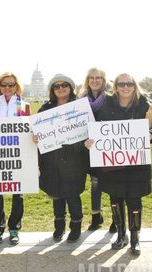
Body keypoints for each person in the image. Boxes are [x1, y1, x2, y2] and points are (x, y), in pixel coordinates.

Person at [85, 73, 152, 255]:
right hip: (112, 165)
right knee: (115, 200)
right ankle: (120, 235)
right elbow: (92, 127)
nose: (125, 87)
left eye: (129, 83)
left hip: (136, 165)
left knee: (134, 201)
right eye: (121, 84)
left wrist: (151, 135)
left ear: (134, 86)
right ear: (116, 86)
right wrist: (89, 140)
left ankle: (135, 238)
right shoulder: (106, 104)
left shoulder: (144, 105)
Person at [37, 74, 89, 243]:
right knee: (56, 196)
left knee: (73, 196)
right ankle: (59, 226)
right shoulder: (45, 109)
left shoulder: (80, 107)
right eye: (56, 86)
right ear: (52, 90)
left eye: (64, 85)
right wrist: (36, 137)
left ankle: (76, 227)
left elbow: (87, 133)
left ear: (70, 87)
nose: (60, 88)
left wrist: (78, 145)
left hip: (74, 159)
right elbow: (37, 132)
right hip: (51, 161)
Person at [0, 72, 30, 245]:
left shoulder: (25, 106)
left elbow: (29, 131)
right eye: (4, 84)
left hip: (18, 156)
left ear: (17, 86)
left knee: (18, 193)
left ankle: (15, 228)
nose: (8, 88)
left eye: (11, 85)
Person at [78, 68, 116, 233]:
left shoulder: (111, 98)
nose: (95, 80)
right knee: (95, 182)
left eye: (99, 78)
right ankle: (96, 215)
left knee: (114, 182)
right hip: (89, 146)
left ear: (104, 80)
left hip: (108, 146)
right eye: (92, 78)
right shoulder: (80, 100)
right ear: (87, 80)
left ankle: (116, 218)